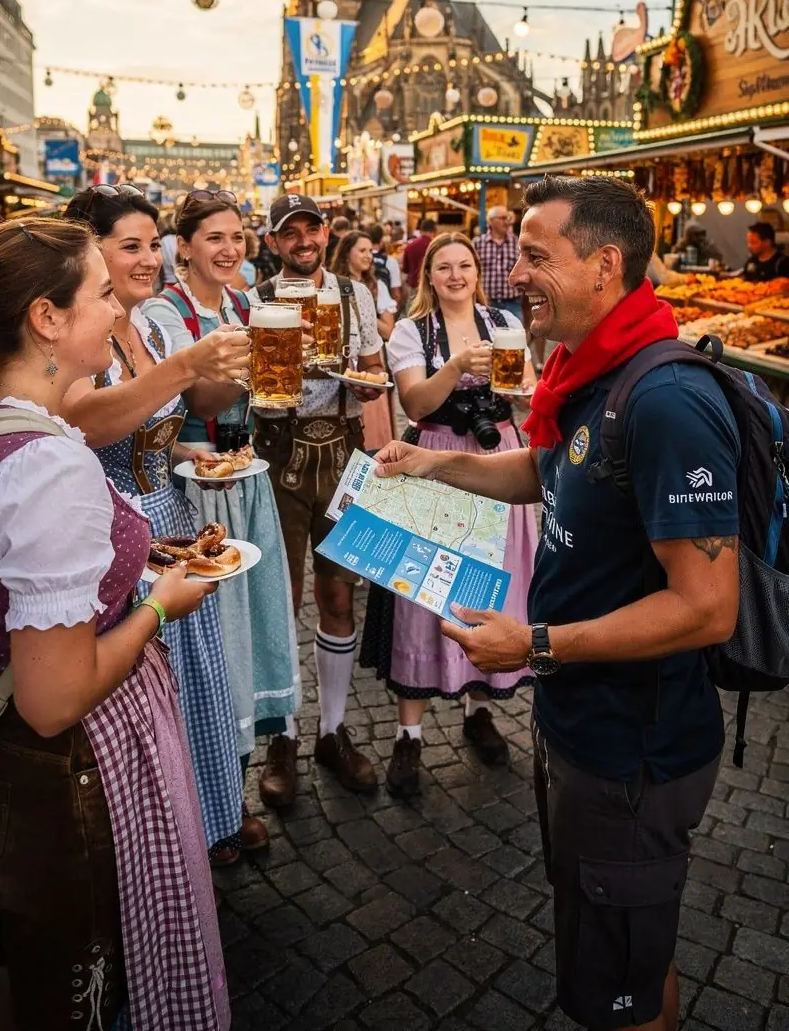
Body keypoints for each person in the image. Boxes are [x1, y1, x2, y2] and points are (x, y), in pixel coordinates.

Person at [374, 176, 740, 1031]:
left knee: (622, 989)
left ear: (605, 265)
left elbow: (706, 608)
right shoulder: (594, 371)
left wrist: (535, 645)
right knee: (629, 952)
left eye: (537, 256)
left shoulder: (665, 400)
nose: (515, 275)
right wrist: (433, 466)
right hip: (585, 731)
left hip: (634, 750)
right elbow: (549, 473)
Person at [0, 218, 230, 1031]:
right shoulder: (49, 465)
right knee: (89, 967)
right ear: (47, 320)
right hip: (76, 761)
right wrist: (161, 604)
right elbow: (54, 698)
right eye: (98, 294)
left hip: (28, 756)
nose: (114, 305)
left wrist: (135, 555)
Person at [61, 185, 267, 860]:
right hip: (116, 529)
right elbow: (84, 423)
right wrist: (184, 365)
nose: (150, 258)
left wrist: (189, 445)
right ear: (90, 251)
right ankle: (161, 844)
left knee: (195, 680)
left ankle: (205, 820)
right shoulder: (77, 331)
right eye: (132, 246)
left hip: (172, 518)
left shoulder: (144, 322)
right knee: (146, 689)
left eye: (155, 244)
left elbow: (158, 418)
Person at [360, 232, 537, 797]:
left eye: (464, 265)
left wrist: (528, 393)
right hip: (432, 459)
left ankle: (477, 710)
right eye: (444, 267)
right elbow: (414, 404)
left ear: (475, 272)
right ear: (428, 277)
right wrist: (458, 363)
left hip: (500, 459)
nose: (456, 275)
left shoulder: (505, 324)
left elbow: (525, 388)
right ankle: (408, 735)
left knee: (492, 590)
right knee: (424, 591)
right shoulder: (415, 331)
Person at [144, 191, 301, 827]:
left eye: (237, 237)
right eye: (214, 237)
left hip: (247, 478)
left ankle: (234, 787)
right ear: (184, 246)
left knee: (253, 629)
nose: (229, 249)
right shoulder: (165, 311)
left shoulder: (244, 300)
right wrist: (263, 360)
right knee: (212, 642)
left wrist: (287, 364)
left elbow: (265, 396)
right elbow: (197, 398)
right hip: (194, 487)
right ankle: (211, 804)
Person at [249, 194, 386, 803]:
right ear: (274, 242)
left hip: (344, 455)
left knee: (338, 593)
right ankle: (284, 736)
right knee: (283, 599)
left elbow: (375, 373)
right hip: (279, 455)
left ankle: (332, 730)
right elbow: (238, 388)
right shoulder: (255, 302)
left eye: (312, 229)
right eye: (290, 233)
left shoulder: (356, 295)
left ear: (326, 232)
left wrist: (365, 388)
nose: (303, 240)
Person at [332, 229, 395, 452]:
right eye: (362, 250)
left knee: (376, 434)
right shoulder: (332, 288)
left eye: (370, 250)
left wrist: (361, 310)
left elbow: (388, 330)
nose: (368, 255)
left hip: (372, 361)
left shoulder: (376, 286)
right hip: (347, 370)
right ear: (346, 253)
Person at [473, 205, 522, 318]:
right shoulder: (478, 243)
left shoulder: (517, 243)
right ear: (491, 221)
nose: (507, 222)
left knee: (516, 335)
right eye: (503, 218)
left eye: (508, 218)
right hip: (486, 303)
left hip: (513, 303)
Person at [369, 221, 402, 306]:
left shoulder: (362, 260)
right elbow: (396, 294)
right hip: (384, 309)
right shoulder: (390, 261)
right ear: (381, 240)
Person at [401, 217, 436, 293]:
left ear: (420, 231)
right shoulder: (436, 247)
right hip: (431, 289)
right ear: (433, 231)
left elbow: (405, 269)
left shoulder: (410, 246)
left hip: (414, 288)